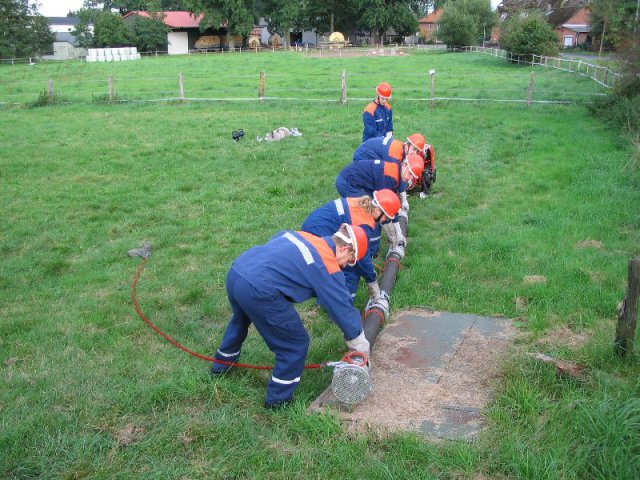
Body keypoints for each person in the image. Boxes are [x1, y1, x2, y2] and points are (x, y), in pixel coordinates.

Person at [211, 224, 371, 408]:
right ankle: (278, 400)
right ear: (344, 248)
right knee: (294, 344)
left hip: (238, 271)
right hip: (259, 289)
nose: (344, 266)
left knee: (240, 320)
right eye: (349, 260)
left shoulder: (304, 236)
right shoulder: (326, 263)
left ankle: (221, 366)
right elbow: (342, 308)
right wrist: (360, 345)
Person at [301, 189, 401, 303]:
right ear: (378, 210)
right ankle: (340, 304)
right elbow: (361, 258)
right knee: (350, 268)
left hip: (314, 225)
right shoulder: (363, 224)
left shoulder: (362, 202)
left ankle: (327, 298)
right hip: (317, 233)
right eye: (386, 218)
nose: (384, 221)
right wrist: (372, 283)